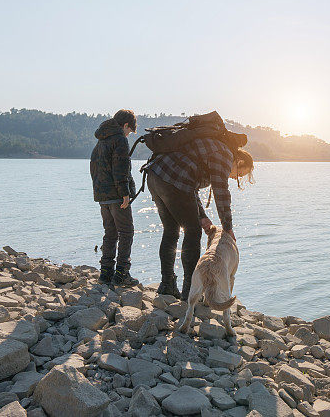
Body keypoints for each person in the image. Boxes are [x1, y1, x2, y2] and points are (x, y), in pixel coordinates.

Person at [145, 137, 254, 299]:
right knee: (193, 232)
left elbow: (191, 185)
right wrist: (228, 228)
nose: (234, 178)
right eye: (239, 174)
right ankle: (190, 291)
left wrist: (202, 216)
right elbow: (221, 193)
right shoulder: (224, 155)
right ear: (238, 162)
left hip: (156, 175)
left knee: (171, 230)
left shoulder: (215, 149)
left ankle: (167, 284)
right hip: (173, 179)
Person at [90, 109, 139, 287]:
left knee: (110, 233)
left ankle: (105, 274)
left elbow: (94, 168)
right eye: (129, 131)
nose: (129, 134)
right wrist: (125, 193)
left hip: (102, 195)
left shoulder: (101, 140)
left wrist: (99, 191)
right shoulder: (119, 139)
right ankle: (122, 274)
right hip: (117, 196)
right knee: (126, 233)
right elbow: (120, 168)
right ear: (125, 125)